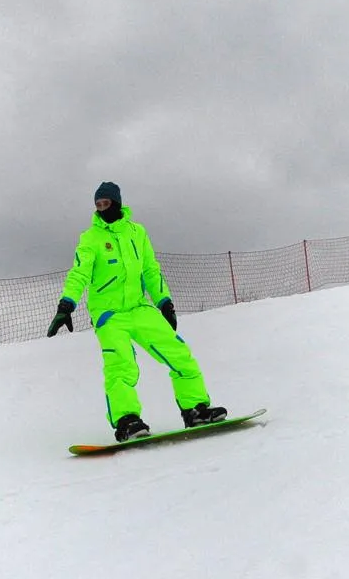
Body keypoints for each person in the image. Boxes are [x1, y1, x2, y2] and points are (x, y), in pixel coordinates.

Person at [45, 181, 226, 441]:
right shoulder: (91, 238)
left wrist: (165, 302)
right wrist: (66, 305)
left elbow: (150, 269)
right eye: (97, 205)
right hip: (109, 314)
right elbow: (79, 273)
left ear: (117, 203)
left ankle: (196, 408)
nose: (101, 209)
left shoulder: (137, 233)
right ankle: (126, 420)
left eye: (105, 203)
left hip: (140, 308)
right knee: (121, 365)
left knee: (179, 353)